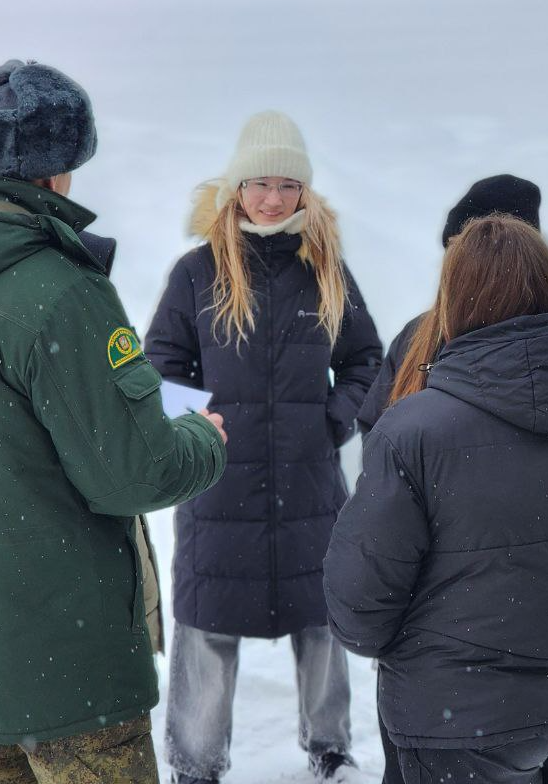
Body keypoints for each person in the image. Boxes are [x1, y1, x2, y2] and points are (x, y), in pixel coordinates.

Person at [0, 59, 228, 783]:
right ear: (56, 167)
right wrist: (202, 438)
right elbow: (136, 473)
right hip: (68, 667)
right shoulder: (57, 291)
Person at [324, 215, 548, 784]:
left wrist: (425, 651)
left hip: (458, 717)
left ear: (454, 300)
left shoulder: (413, 432)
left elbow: (359, 601)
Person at [145, 110, 381, 784]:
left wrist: (332, 420)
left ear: (304, 191)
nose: (272, 199)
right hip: (218, 485)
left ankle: (329, 751)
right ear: (236, 189)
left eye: (286, 185)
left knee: (322, 621)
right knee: (207, 623)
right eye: (259, 184)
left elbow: (366, 362)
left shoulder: (326, 269)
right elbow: (160, 366)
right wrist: (198, 430)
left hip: (309, 486)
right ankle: (194, 764)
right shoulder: (198, 272)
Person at [356, 173, 542, 435]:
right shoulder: (416, 336)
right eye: (452, 248)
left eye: (471, 249)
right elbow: (374, 427)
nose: (454, 264)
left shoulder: (545, 342)